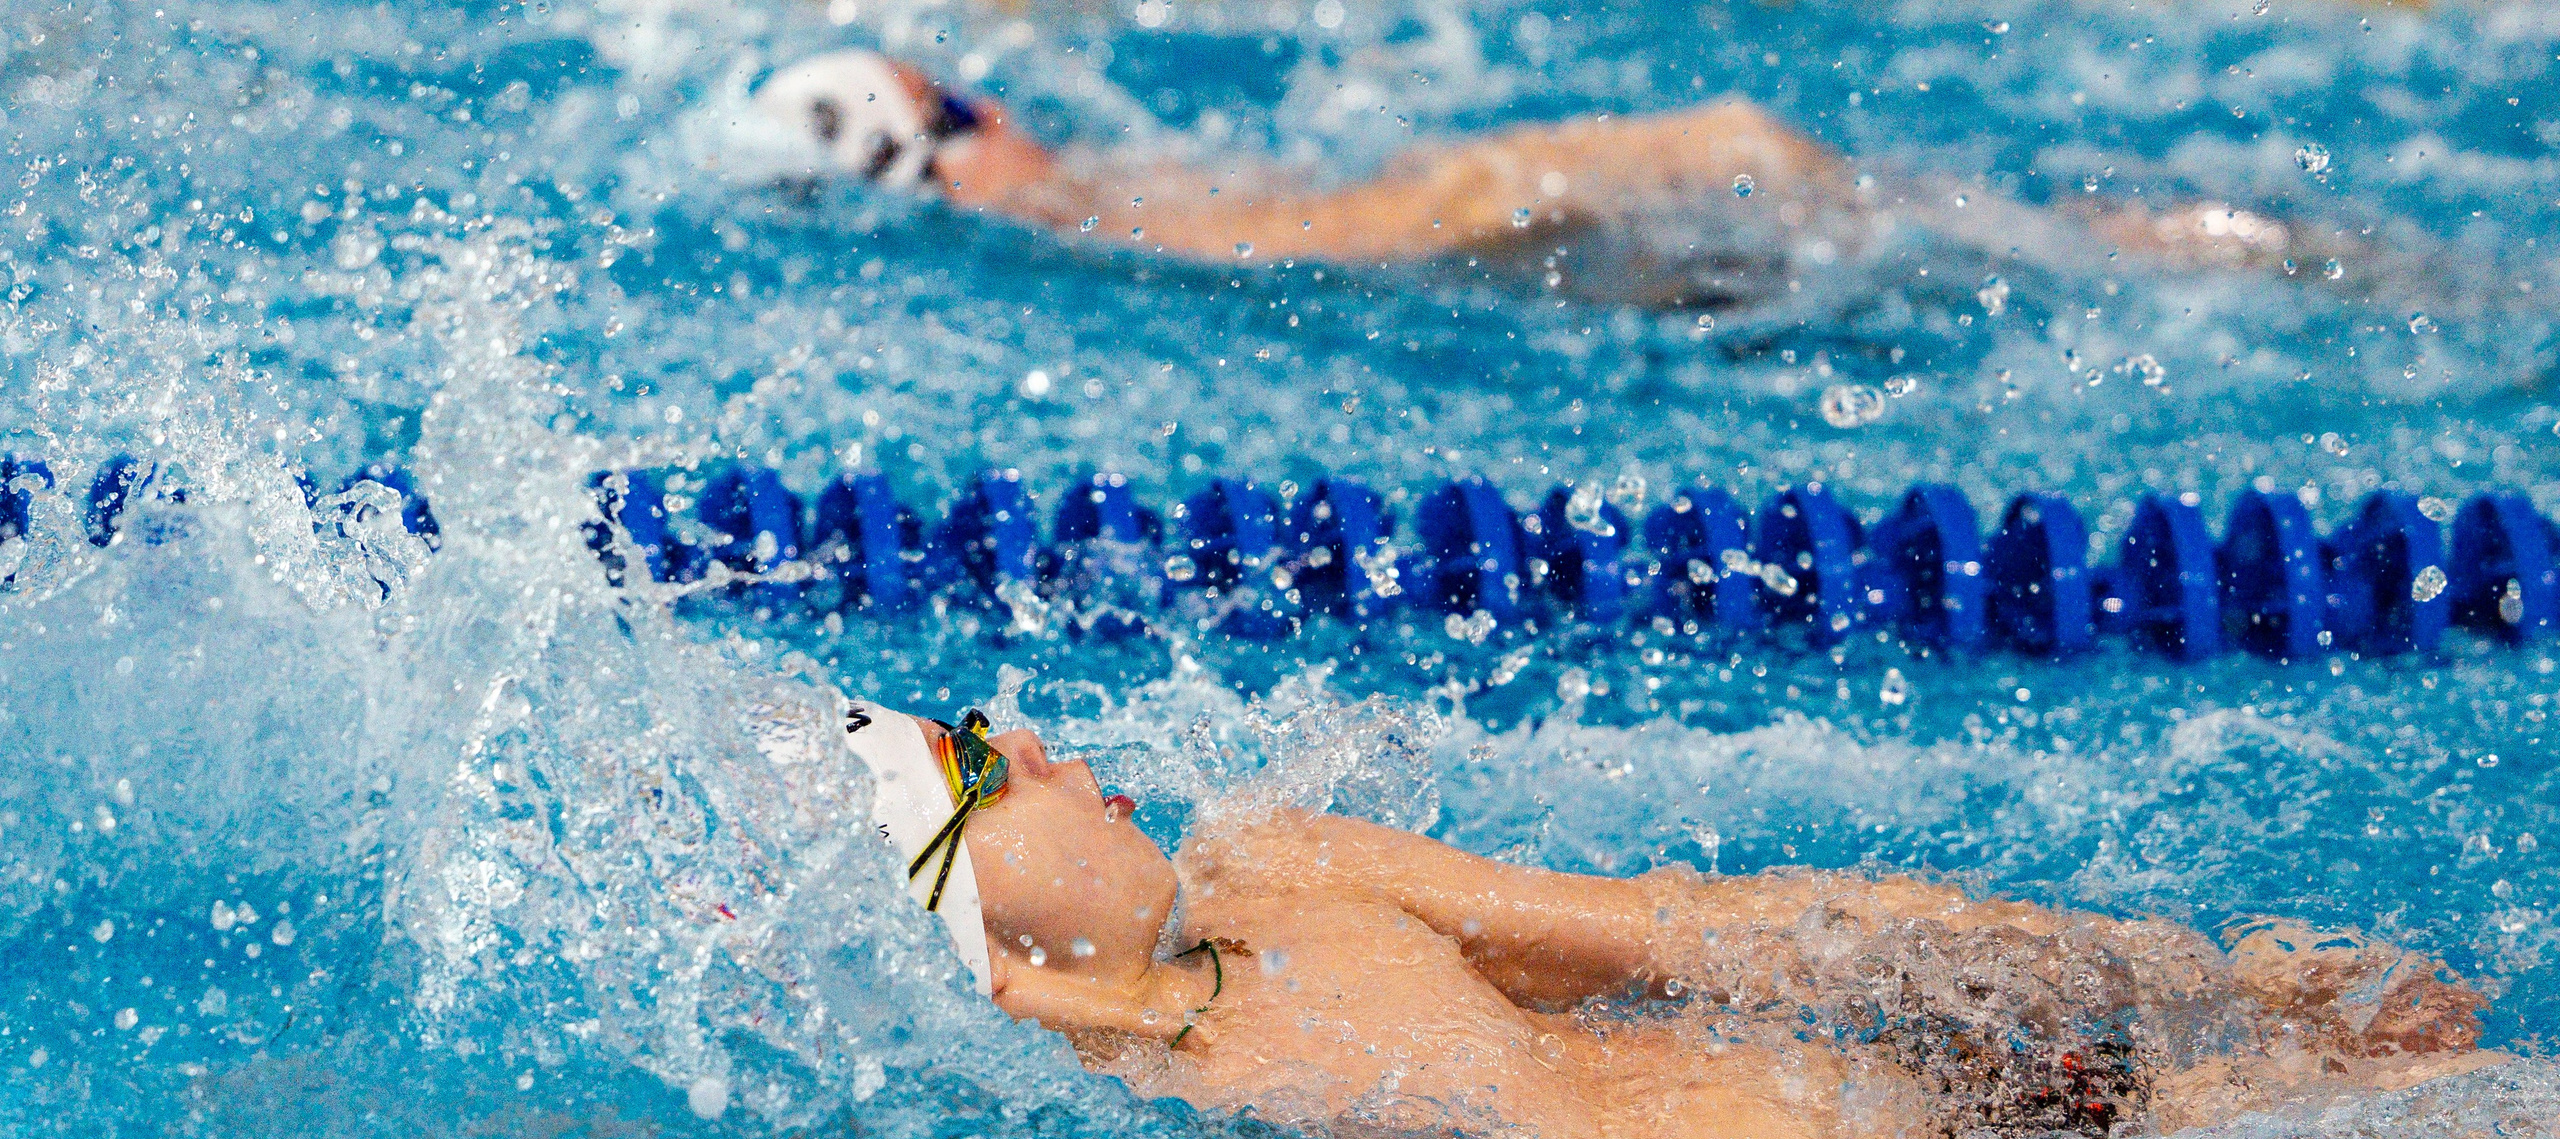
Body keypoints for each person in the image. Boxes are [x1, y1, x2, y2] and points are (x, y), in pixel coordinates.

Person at [844, 698, 2490, 1139]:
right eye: (978, 765)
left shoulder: (1289, 871)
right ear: (970, 927)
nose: (1035, 742)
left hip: (1985, 1099)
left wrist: (2212, 985)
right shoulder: (1135, 1122)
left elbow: (1731, 930)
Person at [742, 48, 2318, 306]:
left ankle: (2267, 259)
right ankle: (2282, 259)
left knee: (2027, 253)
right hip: (1618, 190)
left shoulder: (1102, 206)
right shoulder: (1081, 207)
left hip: (1605, 204)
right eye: (967, 100)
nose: (1008, 100)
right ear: (945, 150)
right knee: (2048, 248)